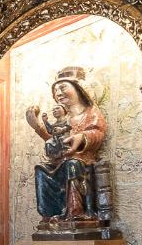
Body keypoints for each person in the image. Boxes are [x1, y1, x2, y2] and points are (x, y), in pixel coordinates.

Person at [25, 66, 106, 223]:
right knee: (41, 170)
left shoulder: (90, 112)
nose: (58, 93)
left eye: (63, 88)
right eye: (56, 91)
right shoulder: (62, 119)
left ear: (79, 89)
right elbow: (54, 139)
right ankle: (50, 215)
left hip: (82, 160)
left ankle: (76, 212)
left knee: (72, 164)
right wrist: (38, 127)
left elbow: (98, 131)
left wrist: (82, 137)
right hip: (60, 161)